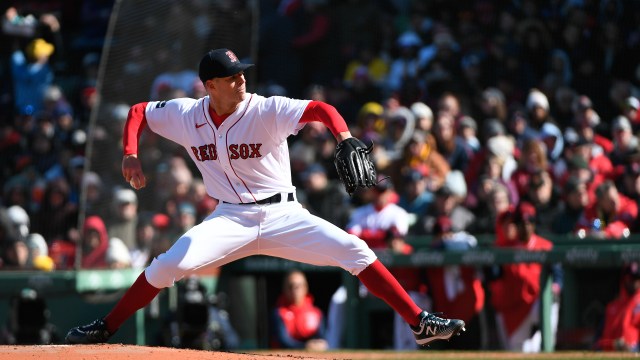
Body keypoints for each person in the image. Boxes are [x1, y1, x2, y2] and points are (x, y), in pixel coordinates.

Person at [64, 48, 465, 346]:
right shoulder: (187, 115)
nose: (241, 80)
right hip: (229, 218)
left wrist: (343, 137)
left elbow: (320, 109)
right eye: (232, 76)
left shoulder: (265, 109)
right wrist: (130, 154)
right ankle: (106, 326)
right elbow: (138, 112)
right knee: (169, 264)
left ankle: (419, 323)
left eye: (241, 74)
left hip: (284, 214)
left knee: (355, 250)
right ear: (211, 86)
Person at [271, 270, 328, 350]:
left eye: (298, 286)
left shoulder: (316, 313)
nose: (294, 290)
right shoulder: (279, 312)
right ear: (284, 289)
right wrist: (305, 346)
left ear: (305, 288)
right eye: (290, 286)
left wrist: (319, 344)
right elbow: (283, 341)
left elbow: (322, 338)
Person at [594, 262, 640, 351]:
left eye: (637, 279)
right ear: (625, 280)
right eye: (631, 279)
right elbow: (597, 341)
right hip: (610, 351)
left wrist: (634, 349)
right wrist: (611, 345)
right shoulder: (612, 307)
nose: (634, 282)